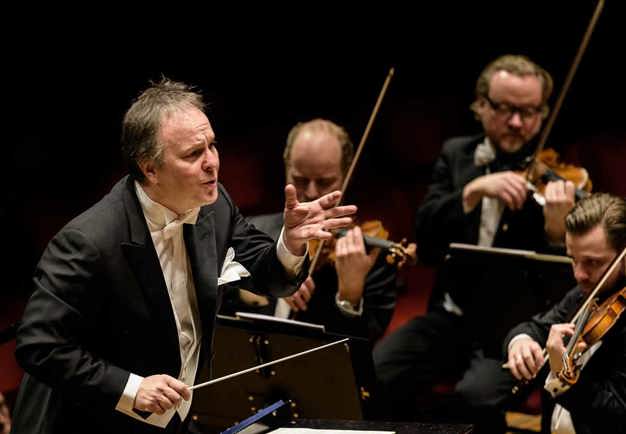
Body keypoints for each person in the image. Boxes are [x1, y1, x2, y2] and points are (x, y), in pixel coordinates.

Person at [10, 79, 356, 434]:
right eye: (193, 154)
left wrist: (291, 243)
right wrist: (132, 387)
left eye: (212, 146)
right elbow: (40, 344)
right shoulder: (89, 242)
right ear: (150, 169)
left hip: (173, 419)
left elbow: (267, 274)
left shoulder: (214, 204)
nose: (212, 163)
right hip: (90, 422)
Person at [373, 54, 578, 431]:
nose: (517, 122)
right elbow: (428, 243)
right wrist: (470, 193)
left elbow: (568, 283)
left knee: (475, 399)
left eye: (529, 111)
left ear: (543, 114)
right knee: (378, 370)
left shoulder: (558, 181)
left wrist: (554, 233)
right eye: (504, 109)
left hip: (513, 331)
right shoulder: (456, 155)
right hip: (449, 318)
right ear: (480, 106)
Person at [222, 118, 399, 342]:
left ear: (346, 176)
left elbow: (369, 345)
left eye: (325, 182)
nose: (312, 193)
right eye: (300, 179)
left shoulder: (371, 252)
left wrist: (350, 296)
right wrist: (269, 282)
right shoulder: (254, 229)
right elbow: (214, 306)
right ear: (287, 169)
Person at [504, 193, 626, 434]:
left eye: (592, 262)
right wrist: (521, 343)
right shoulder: (584, 294)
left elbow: (617, 415)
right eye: (573, 259)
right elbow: (534, 328)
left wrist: (564, 376)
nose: (579, 275)